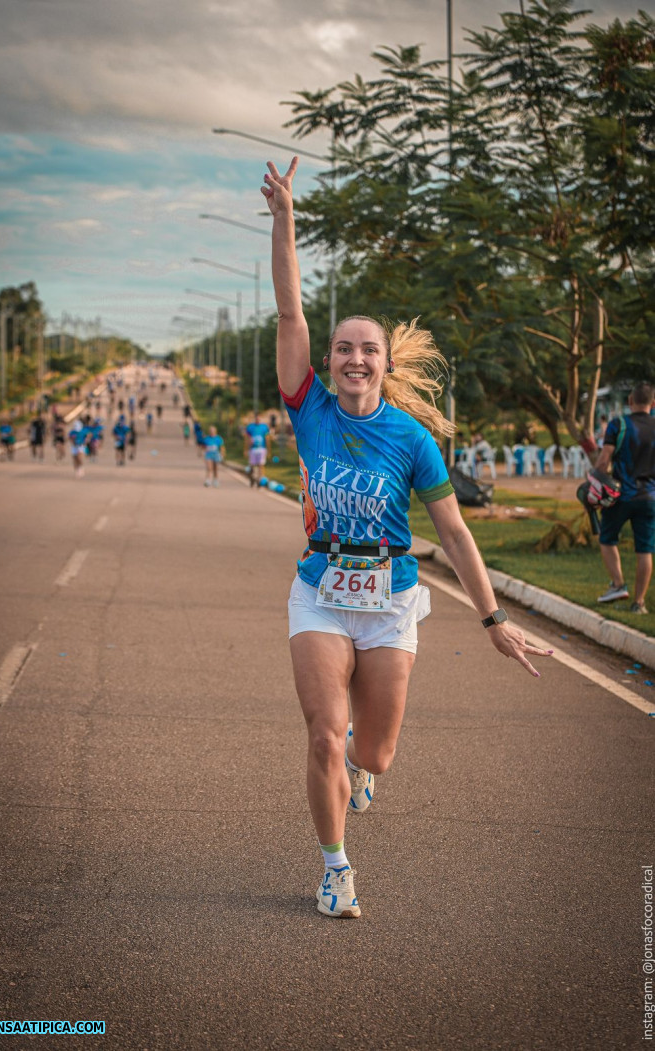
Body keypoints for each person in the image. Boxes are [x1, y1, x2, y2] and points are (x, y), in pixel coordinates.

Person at [262, 156, 553, 920]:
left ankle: (360, 766)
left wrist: (493, 618)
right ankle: (335, 869)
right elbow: (290, 313)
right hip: (320, 590)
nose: (354, 358)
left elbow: (452, 529)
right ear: (329, 361)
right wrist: (285, 217)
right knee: (324, 735)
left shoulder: (413, 439)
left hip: (391, 598)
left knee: (375, 753)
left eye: (368, 350)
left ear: (385, 365)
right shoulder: (309, 408)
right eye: (343, 348)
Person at [595, 382, 655, 614]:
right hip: (649, 498)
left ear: (630, 401)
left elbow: (603, 461)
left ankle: (619, 584)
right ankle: (639, 603)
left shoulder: (618, 425)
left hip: (620, 496)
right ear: (653, 403)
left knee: (607, 538)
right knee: (645, 550)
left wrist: (595, 480)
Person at [244, 412, 272, 488]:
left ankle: (259, 481)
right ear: (255, 418)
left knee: (261, 465)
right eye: (256, 417)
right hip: (252, 449)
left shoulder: (264, 427)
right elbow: (246, 439)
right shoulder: (250, 427)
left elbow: (267, 439)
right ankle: (252, 478)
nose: (258, 419)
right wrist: (246, 449)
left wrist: (268, 450)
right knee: (252, 466)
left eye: (259, 417)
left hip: (262, 448)